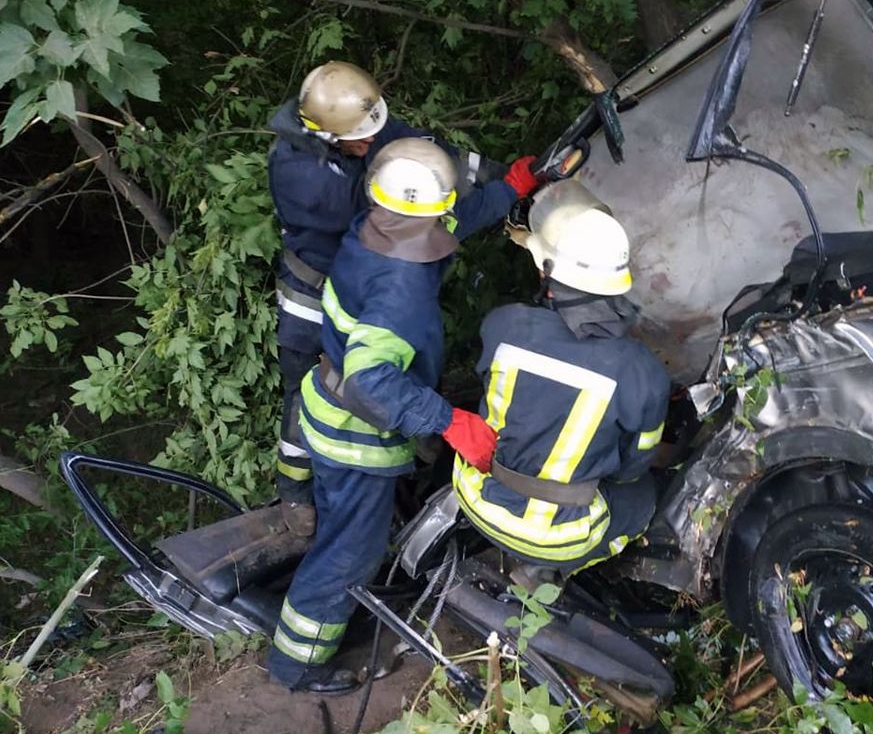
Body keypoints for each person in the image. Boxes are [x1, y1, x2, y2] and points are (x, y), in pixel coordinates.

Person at [266, 137, 540, 694]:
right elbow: (372, 382)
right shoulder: (402, 288)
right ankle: (297, 663)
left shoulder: (375, 223)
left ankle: (320, 615)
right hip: (356, 436)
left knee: (344, 529)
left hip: (324, 402)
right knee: (349, 552)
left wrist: (507, 190)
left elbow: (448, 221)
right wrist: (449, 421)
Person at [268, 60, 503, 534]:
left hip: (361, 279)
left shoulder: (357, 122)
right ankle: (293, 491)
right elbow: (400, 210)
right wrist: (472, 202)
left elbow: (415, 150)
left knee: (395, 364)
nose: (371, 143)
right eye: (360, 141)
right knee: (312, 388)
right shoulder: (304, 176)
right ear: (326, 135)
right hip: (315, 291)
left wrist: (489, 175)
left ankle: (411, 435)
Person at [453, 183, 671, 576]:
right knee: (643, 496)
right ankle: (549, 572)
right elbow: (633, 468)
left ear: (547, 269)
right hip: (556, 537)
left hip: (477, 499)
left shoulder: (504, 325)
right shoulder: (642, 371)